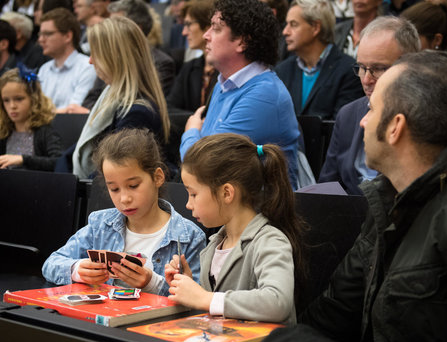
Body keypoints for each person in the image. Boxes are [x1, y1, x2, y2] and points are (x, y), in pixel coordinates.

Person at [217, 50, 447, 342]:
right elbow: (334, 312)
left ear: (396, 127)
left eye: (371, 110)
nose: (362, 121)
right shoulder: (389, 202)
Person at [43, 128, 205, 296]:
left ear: (158, 177)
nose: (124, 199)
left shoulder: (189, 237)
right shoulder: (100, 225)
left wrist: (153, 284)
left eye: (133, 186)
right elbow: (51, 263)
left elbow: (198, 298)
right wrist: (76, 269)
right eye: (114, 189)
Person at [166, 133, 303, 324]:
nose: (188, 204)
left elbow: (278, 302)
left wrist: (205, 298)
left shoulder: (270, 240)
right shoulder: (214, 244)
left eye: (193, 194)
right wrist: (188, 287)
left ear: (227, 193)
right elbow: (215, 309)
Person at [180, 0, 300, 188]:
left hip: (264, 212)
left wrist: (191, 130)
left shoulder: (264, 96)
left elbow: (201, 165)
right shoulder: (224, 83)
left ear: (242, 41)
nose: (206, 36)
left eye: (216, 29)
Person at [318, 16, 420, 195]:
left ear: (410, 66)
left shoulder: (425, 119)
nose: (366, 79)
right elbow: (327, 188)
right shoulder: (348, 115)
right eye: (361, 67)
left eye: (379, 68)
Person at [71, 17, 171, 179]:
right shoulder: (111, 95)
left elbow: (113, 177)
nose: (90, 61)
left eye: (96, 54)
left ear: (115, 57)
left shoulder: (137, 113)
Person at [275, 0, 363, 119]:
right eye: (286, 24)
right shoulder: (282, 70)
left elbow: (342, 126)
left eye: (294, 24)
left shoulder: (348, 71)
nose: (285, 32)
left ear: (315, 27)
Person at [0, 67, 61, 171]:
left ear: (34, 99)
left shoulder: (45, 131)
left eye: (19, 99)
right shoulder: (4, 131)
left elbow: (59, 163)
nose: (12, 106)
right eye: (6, 100)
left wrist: (23, 160)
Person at [37, 8, 96, 112]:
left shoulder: (87, 67)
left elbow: (73, 111)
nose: (41, 39)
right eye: (40, 34)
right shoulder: (44, 69)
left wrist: (42, 116)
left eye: (48, 34)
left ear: (68, 36)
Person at [167, 0, 217, 113]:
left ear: (208, 25)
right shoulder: (189, 67)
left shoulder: (227, 69)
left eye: (188, 25)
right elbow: (168, 109)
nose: (184, 32)